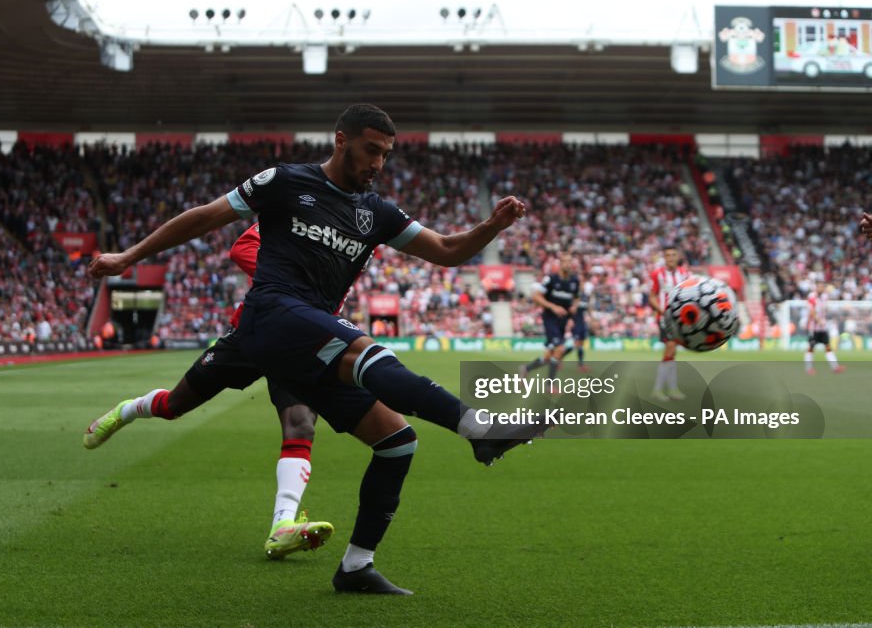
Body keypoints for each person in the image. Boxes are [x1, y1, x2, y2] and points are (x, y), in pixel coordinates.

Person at [86, 104, 543, 594]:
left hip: (309, 337)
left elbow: (448, 250)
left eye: (386, 155)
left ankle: (356, 566)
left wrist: (492, 226)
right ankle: (478, 428)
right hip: (271, 316)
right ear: (341, 140)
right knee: (364, 354)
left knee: (397, 442)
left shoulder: (377, 213)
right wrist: (127, 257)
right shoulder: (284, 182)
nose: (378, 164)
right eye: (371, 151)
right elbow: (205, 217)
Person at [84, 222, 335, 561]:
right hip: (256, 330)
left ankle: (282, 525)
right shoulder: (300, 205)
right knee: (175, 404)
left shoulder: (362, 228)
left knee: (301, 424)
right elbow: (242, 248)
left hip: (303, 340)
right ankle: (128, 410)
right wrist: (295, 279)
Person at [520, 252, 581, 383]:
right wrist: (553, 306)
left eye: (570, 261)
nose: (568, 264)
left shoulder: (575, 281)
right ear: (560, 263)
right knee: (560, 349)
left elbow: (576, 298)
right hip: (550, 319)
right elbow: (536, 296)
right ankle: (550, 385)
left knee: (548, 356)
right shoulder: (551, 279)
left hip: (563, 321)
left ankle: (526, 369)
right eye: (565, 261)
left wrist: (575, 306)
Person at [648, 245, 690, 401]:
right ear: (664, 258)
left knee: (672, 353)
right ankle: (658, 389)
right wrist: (661, 310)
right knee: (670, 348)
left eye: (673, 254)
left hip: (679, 319)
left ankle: (672, 389)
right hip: (665, 317)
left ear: (677, 256)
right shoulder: (657, 274)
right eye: (668, 255)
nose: (671, 258)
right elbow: (652, 296)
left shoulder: (684, 274)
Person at [804, 282, 845, 375]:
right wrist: (818, 320)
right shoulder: (812, 297)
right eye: (819, 287)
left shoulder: (824, 297)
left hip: (822, 327)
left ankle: (835, 367)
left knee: (828, 346)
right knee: (811, 347)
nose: (821, 288)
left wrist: (824, 320)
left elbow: (824, 310)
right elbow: (811, 311)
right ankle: (809, 368)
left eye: (823, 287)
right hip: (813, 328)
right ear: (816, 287)